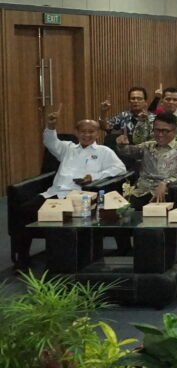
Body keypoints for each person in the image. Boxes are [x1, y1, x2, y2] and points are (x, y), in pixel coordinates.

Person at [12, 110, 126, 269]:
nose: (87, 135)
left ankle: (69, 260)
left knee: (66, 221)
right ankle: (22, 257)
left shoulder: (103, 152)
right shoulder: (67, 148)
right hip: (54, 194)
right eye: (83, 132)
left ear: (97, 134)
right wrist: (51, 126)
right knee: (23, 212)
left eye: (91, 131)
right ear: (76, 133)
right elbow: (50, 142)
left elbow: (120, 168)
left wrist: (93, 176)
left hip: (79, 198)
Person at [116, 112, 177, 209]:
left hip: (165, 194)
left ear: (175, 131)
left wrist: (166, 183)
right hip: (141, 192)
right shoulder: (147, 146)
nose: (160, 134)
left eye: (165, 131)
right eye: (157, 130)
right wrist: (122, 144)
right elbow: (128, 151)